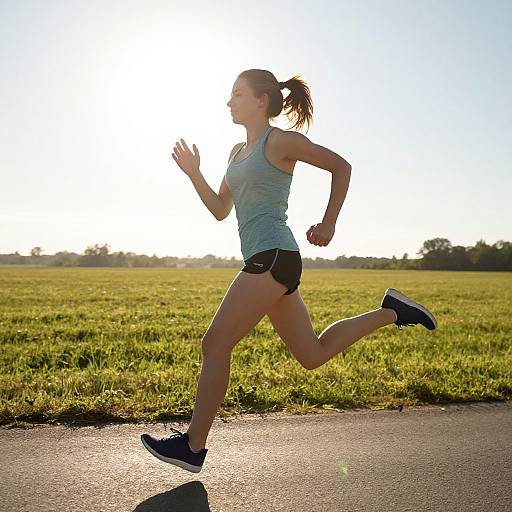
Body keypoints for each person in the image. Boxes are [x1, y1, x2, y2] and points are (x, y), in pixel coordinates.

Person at [140, 69, 437, 473]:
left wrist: (329, 221)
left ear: (261, 100)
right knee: (312, 354)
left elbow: (341, 167)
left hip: (275, 256)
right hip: (266, 259)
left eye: (237, 94)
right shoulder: (234, 153)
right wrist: (194, 173)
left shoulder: (279, 141)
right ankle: (392, 311)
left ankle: (193, 445)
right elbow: (220, 210)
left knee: (214, 344)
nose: (229, 102)